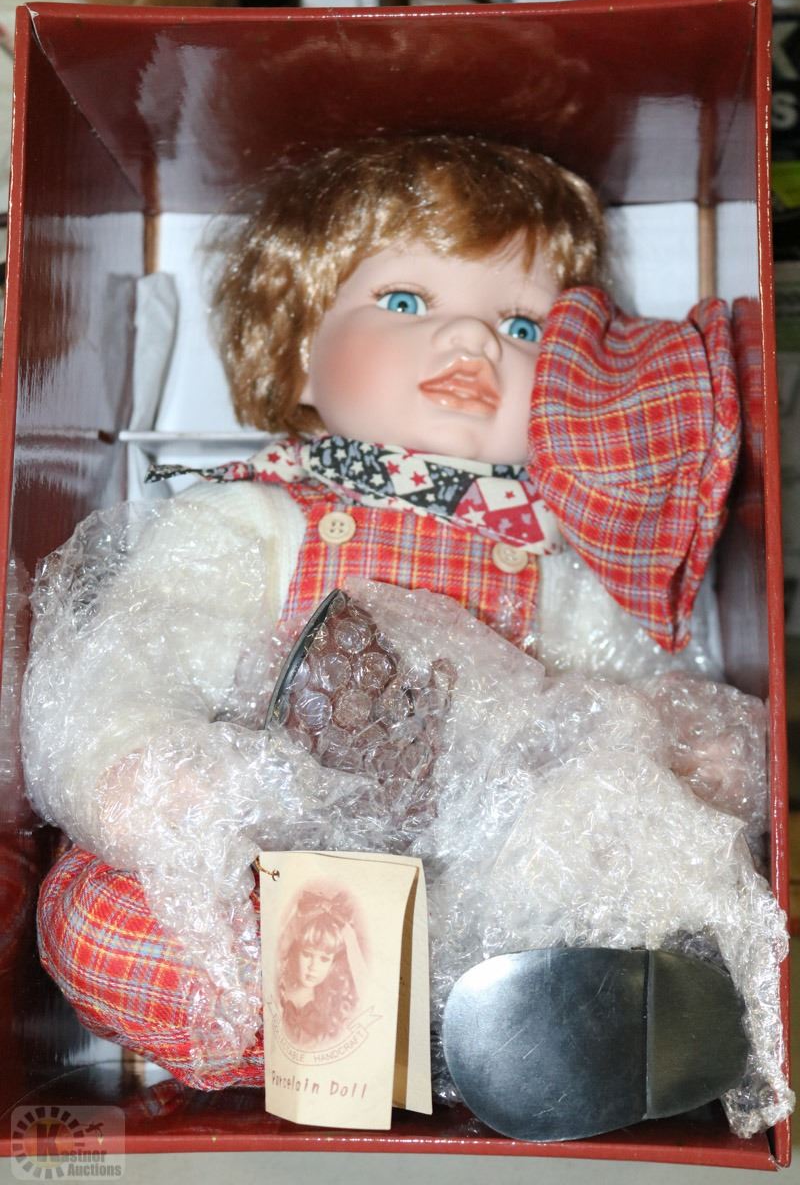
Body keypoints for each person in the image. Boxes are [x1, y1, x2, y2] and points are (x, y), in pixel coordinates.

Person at [25, 135, 756, 1119]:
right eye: (405, 302)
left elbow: (616, 679)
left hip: (480, 881)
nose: (471, 344)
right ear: (298, 347)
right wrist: (143, 761)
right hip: (282, 877)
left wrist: (671, 742)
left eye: (523, 326)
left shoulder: (548, 554)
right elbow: (147, 644)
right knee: (103, 921)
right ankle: (455, 1036)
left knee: (639, 858)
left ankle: (498, 1013)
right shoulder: (257, 518)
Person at [276, 889, 365, 1049]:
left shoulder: (334, 1008)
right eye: (307, 954)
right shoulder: (279, 993)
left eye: (324, 959)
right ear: (294, 952)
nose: (313, 966)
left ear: (333, 963)